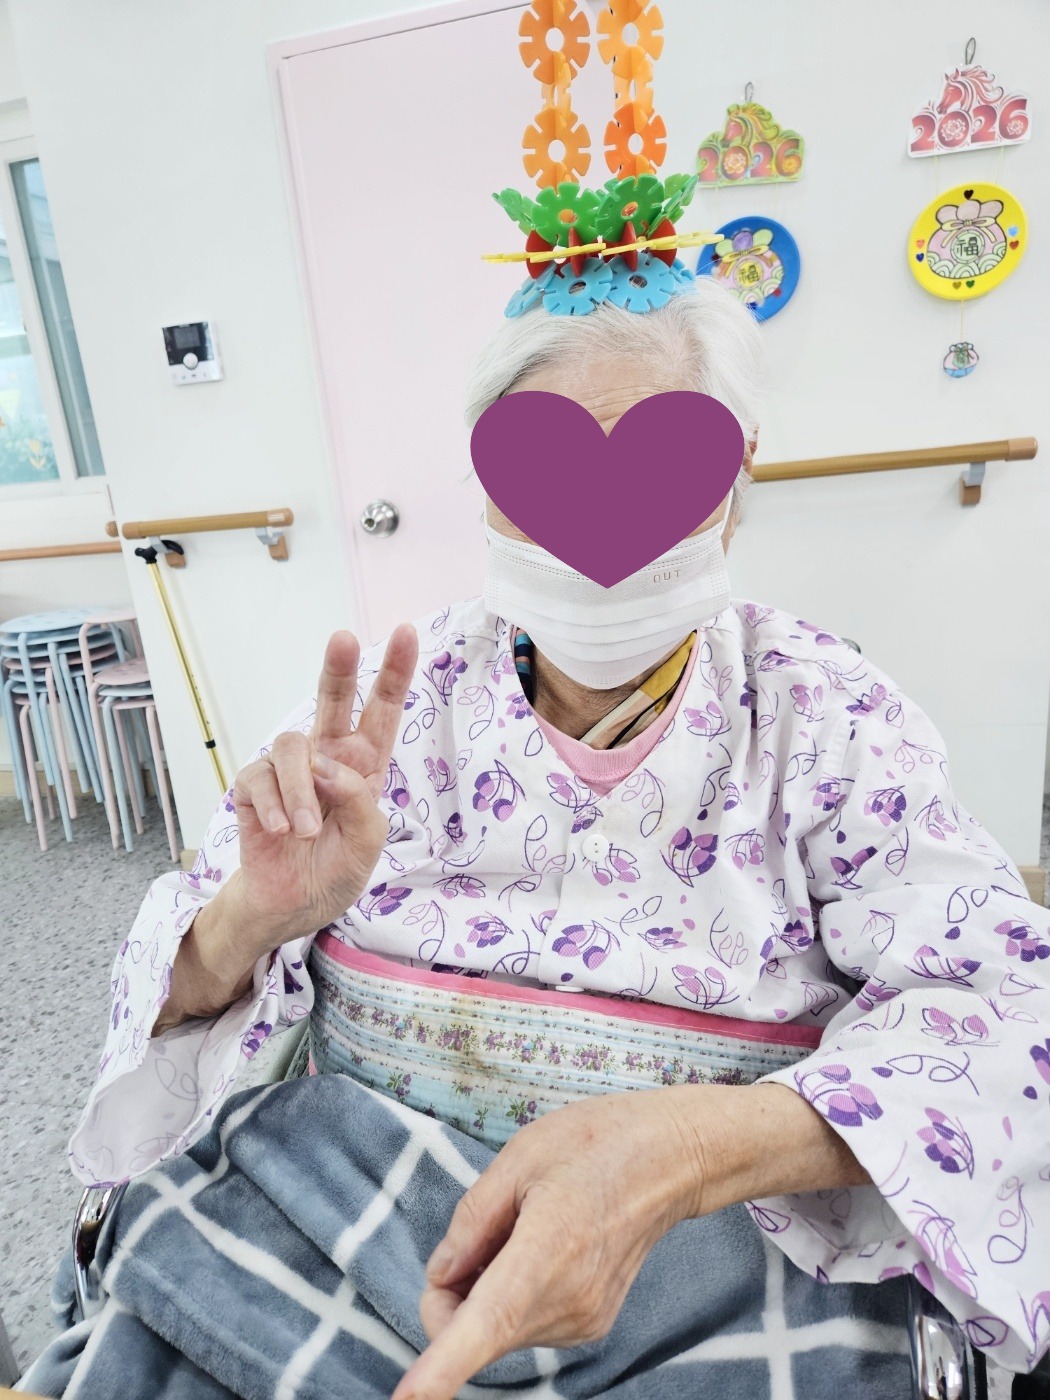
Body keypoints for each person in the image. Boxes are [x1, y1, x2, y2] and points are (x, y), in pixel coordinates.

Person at [67, 279, 1049, 1397]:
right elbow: (176, 986)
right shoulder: (392, 705)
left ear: (736, 484)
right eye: (542, 478)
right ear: (486, 487)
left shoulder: (825, 716)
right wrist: (258, 912)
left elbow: (1012, 1016)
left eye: (664, 475)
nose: (599, 542)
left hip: (730, 1236)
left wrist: (692, 1149)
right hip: (354, 1197)